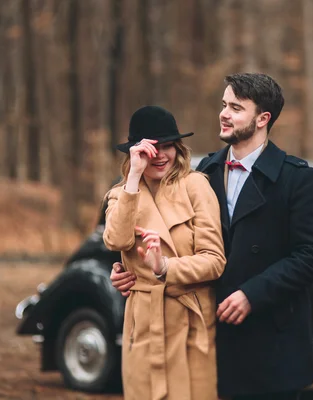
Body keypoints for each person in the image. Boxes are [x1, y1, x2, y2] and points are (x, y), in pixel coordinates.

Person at [111, 73, 313, 400]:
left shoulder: (298, 178)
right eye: (223, 105)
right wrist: (126, 270)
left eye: (236, 108)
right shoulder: (204, 173)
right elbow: (167, 235)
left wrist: (252, 294)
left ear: (262, 119)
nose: (224, 114)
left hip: (271, 342)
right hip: (214, 341)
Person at [103, 105, 226, 400]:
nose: (160, 155)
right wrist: (133, 178)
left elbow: (215, 260)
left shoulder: (195, 186)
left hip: (190, 321)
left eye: (167, 146)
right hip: (143, 321)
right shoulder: (120, 195)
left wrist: (165, 267)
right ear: (134, 153)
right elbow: (116, 241)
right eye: (149, 149)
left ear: (178, 148)